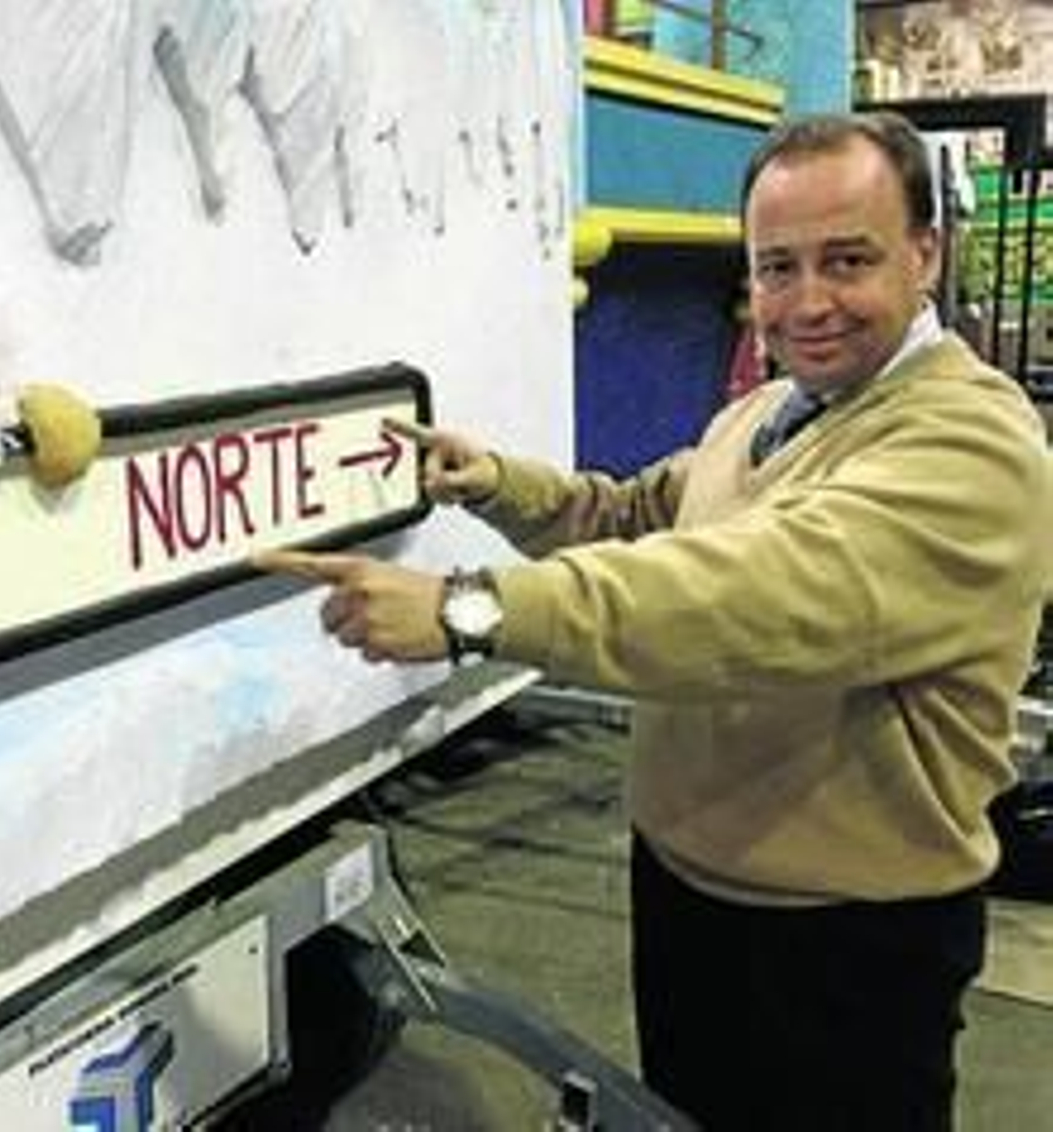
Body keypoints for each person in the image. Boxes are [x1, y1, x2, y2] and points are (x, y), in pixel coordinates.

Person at [257, 111, 1051, 1131]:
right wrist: (493, 481)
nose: (808, 301)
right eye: (777, 268)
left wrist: (466, 609)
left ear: (924, 254)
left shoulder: (970, 441)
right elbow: (637, 515)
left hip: (842, 942)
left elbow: (744, 594)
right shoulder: (768, 413)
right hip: (690, 890)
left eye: (847, 260)